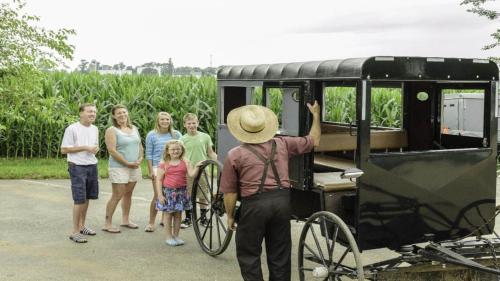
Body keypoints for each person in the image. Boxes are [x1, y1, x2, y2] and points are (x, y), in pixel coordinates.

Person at [220, 101, 321, 281]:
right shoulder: (282, 143)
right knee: (280, 254)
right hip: (282, 203)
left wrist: (229, 215)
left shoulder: (234, 154)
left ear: (240, 130)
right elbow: (314, 140)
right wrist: (316, 115)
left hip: (253, 206)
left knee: (249, 255)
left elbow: (230, 193)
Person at [61, 103, 100, 243]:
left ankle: (82, 226)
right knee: (79, 199)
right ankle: (75, 232)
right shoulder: (72, 129)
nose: (93, 114)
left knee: (87, 197)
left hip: (92, 165)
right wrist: (85, 147)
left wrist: (94, 149)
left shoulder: (95, 129)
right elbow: (64, 150)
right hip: (77, 166)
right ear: (81, 113)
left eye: (94, 112)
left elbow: (93, 146)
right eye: (90, 111)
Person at [102, 104, 144, 233]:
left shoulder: (134, 128)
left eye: (124, 112)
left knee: (128, 194)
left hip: (134, 166)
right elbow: (112, 150)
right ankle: (107, 223)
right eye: (119, 113)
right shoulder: (112, 130)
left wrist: (140, 159)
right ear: (114, 116)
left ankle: (125, 220)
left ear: (127, 113)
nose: (122, 115)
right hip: (119, 167)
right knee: (117, 194)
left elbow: (140, 146)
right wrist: (127, 163)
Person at [156, 140, 199, 246]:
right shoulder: (164, 163)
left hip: (181, 192)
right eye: (173, 149)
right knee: (168, 215)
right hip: (168, 193)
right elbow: (159, 180)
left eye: (178, 149)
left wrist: (197, 166)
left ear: (182, 150)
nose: (175, 151)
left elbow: (192, 174)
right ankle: (168, 237)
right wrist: (160, 195)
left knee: (178, 215)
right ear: (168, 151)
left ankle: (176, 235)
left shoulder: (185, 161)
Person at [144, 112, 182, 232]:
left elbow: (181, 151)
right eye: (162, 119)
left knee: (170, 194)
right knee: (158, 195)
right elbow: (149, 154)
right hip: (157, 167)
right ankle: (151, 222)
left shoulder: (176, 134)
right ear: (158, 121)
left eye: (167, 119)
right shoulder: (151, 135)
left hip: (173, 167)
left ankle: (163, 219)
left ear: (170, 121)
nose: (165, 121)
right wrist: (150, 171)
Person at [179, 113, 217, 228]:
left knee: (203, 194)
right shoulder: (182, 139)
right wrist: (188, 164)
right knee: (189, 194)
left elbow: (210, 153)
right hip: (188, 170)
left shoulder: (205, 137)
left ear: (198, 123)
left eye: (194, 123)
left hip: (203, 169)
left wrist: (220, 160)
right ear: (185, 125)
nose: (192, 125)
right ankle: (188, 218)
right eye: (189, 123)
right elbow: (181, 155)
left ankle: (203, 218)